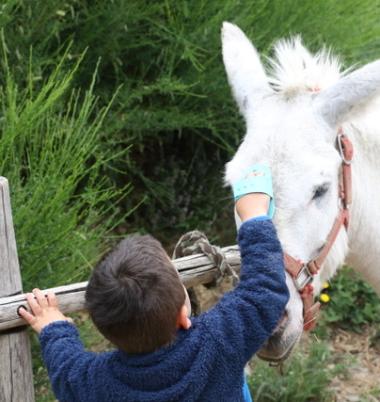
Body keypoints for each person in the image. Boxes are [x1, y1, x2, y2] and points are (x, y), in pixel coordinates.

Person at [19, 165, 289, 402]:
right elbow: (264, 290)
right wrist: (254, 216)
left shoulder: (97, 384)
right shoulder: (219, 341)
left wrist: (53, 327)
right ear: (184, 316)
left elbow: (66, 370)